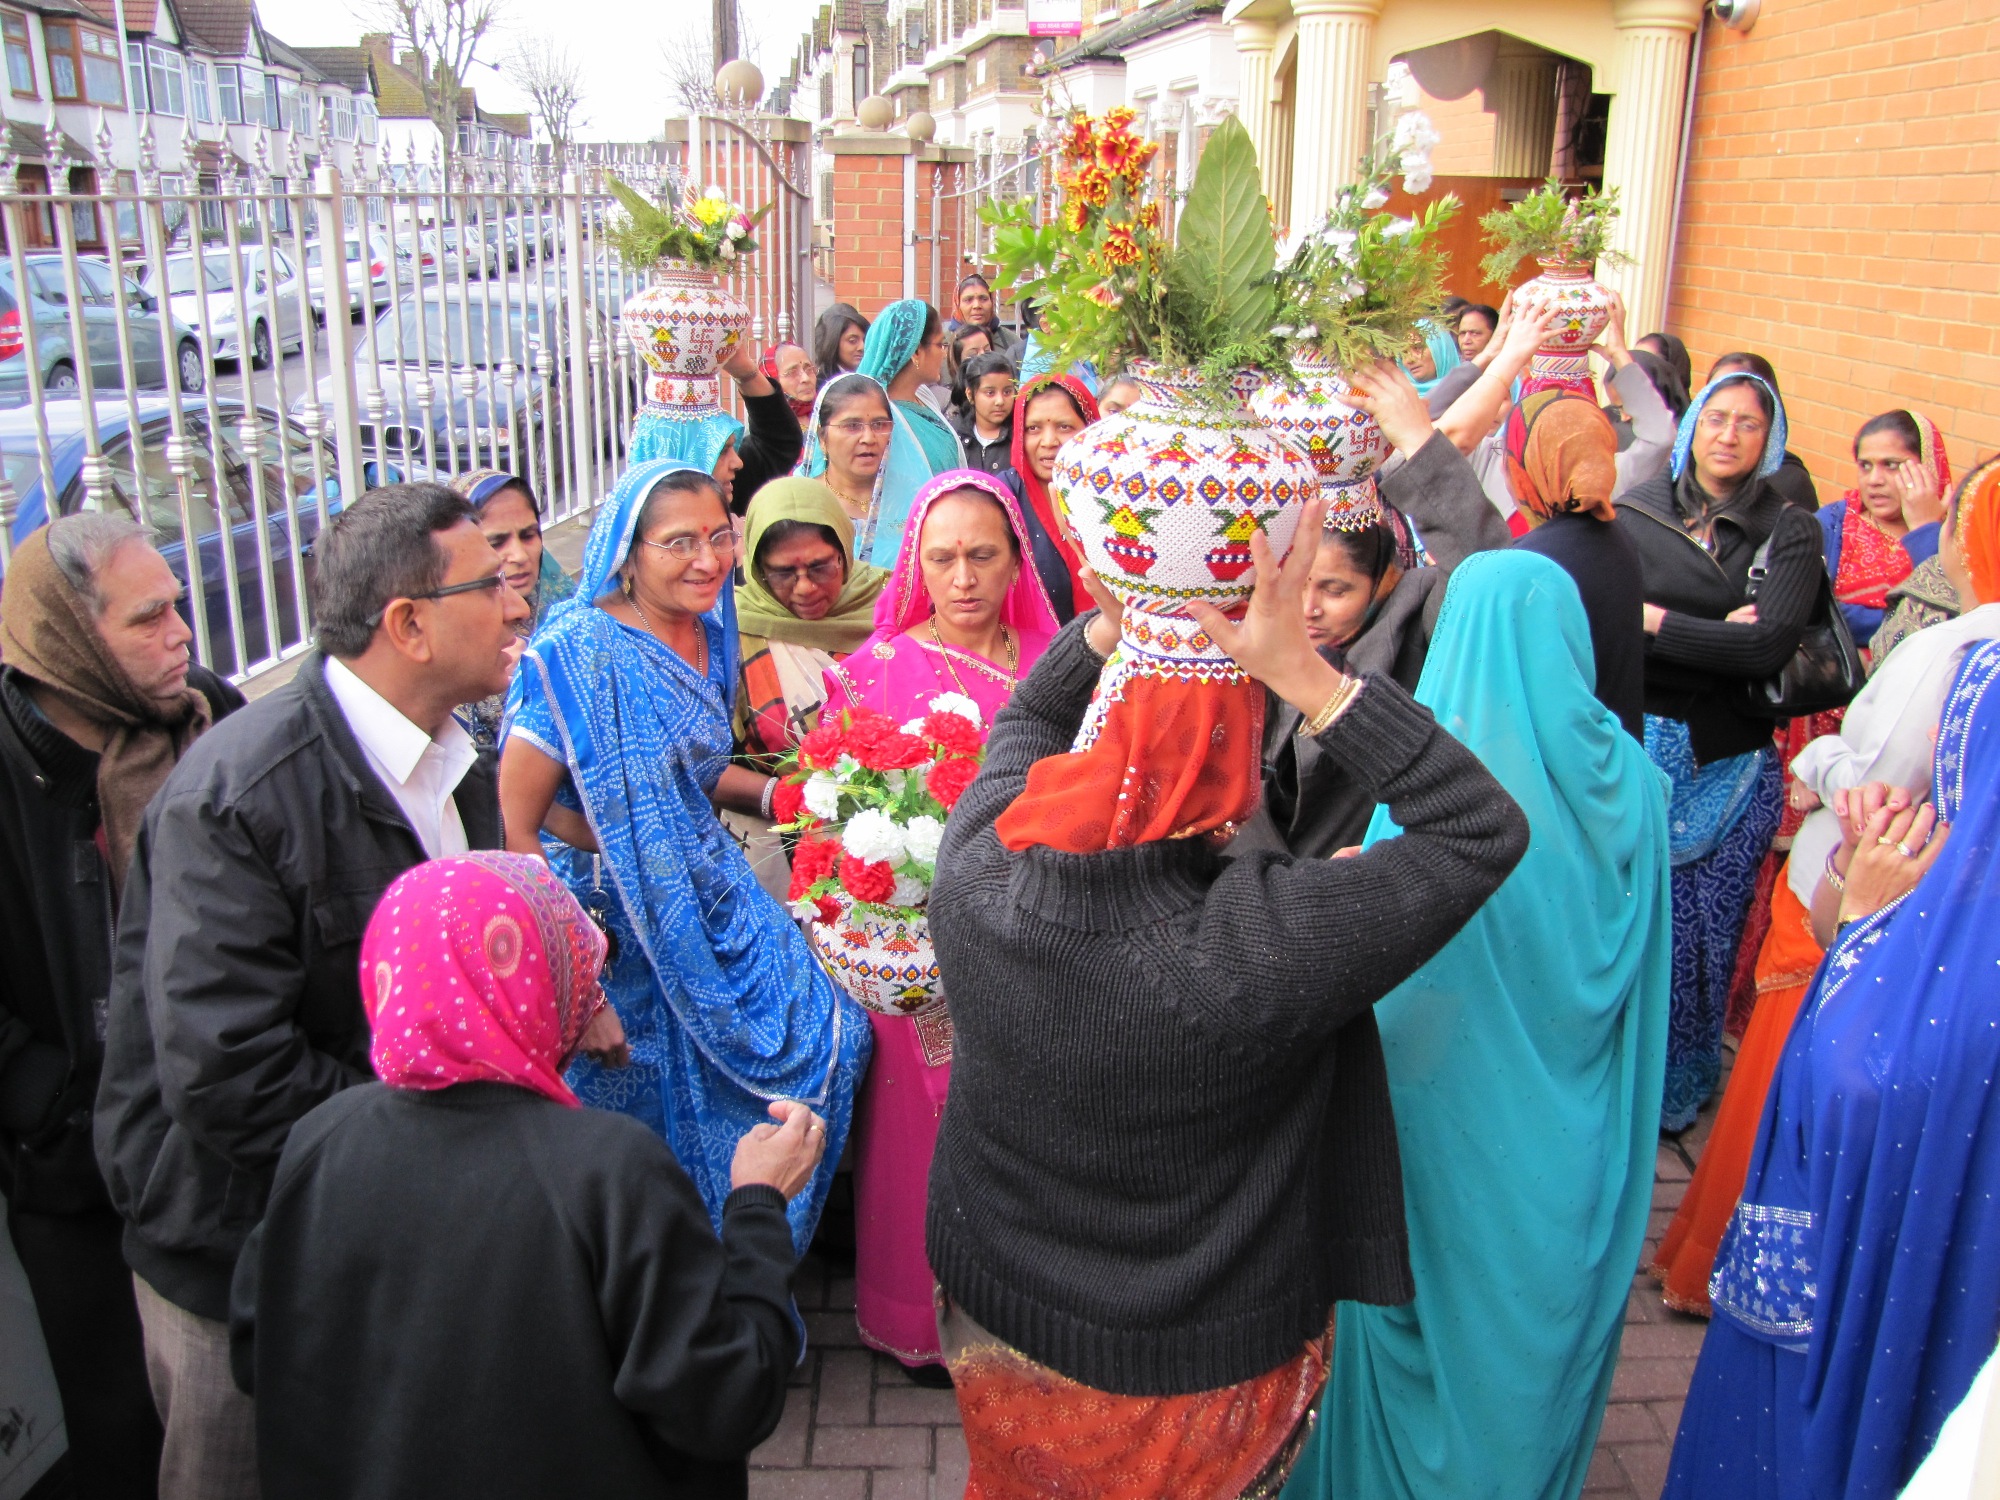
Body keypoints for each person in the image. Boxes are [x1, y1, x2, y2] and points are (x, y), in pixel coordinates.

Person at [926, 494, 1529, 1500]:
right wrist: (1302, 672)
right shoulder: (1254, 945)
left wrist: (1121, 626)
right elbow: (1477, 830)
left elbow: (1027, 718)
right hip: (1187, 1367)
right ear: (1225, 783)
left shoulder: (977, 867)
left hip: (994, 1309)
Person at [94, 484, 522, 1500]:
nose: (518, 604)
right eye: (492, 584)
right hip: (237, 1253)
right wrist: (447, 1148)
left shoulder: (456, 761)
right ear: (407, 625)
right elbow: (228, 1074)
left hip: (382, 1222)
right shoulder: (239, 796)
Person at [230, 851, 825, 1500]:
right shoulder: (608, 1172)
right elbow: (728, 1396)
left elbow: (258, 1349)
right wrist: (759, 1205)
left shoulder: (321, 1142)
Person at [1286, 550, 1670, 1500]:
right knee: (1530, 1343)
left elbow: (1389, 971)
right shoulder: (1636, 779)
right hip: (1574, 1133)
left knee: (1423, 1325)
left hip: (1435, 1122)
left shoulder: (1439, 787)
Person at [1650, 453, 2000, 1316]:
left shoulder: (1960, 650)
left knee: (1788, 1076)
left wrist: (1814, 753)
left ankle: (1721, 1269)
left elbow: (1873, 775)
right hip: (1959, 927)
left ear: (1960, 534)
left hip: (1864, 894)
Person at [499, 460, 871, 1250]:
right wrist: (579, 985)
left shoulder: (708, 626)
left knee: (827, 1036)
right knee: (644, 1106)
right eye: (678, 543)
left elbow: (693, 767)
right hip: (606, 918)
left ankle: (742, 1256)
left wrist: (781, 798)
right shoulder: (574, 655)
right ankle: (666, 1283)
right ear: (626, 554)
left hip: (705, 883)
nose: (707, 560)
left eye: (717, 537)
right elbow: (517, 828)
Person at [1663, 640, 2000, 1500]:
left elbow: (1856, 1080)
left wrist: (1865, 922)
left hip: (1863, 1313)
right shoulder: (1963, 879)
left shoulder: (1970, 927)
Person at [0, 517, 242, 1499]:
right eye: (149, 618)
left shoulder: (213, 720)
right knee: (116, 1439)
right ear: (66, 639)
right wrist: (53, 1101)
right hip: (78, 1179)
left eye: (179, 604)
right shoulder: (14, 771)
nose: (181, 632)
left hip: (216, 1159)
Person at [819, 470, 1058, 1381]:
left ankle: (1023, 1315)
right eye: (944, 558)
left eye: (984, 556)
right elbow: (833, 820)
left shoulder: (1058, 662)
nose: (964, 578)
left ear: (1015, 560)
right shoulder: (874, 672)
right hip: (914, 953)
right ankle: (915, 1321)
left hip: (1035, 944)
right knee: (922, 1131)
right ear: (915, 562)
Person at [1613, 371, 1823, 1132]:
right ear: (1694, 422)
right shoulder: (1638, 511)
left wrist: (1657, 622)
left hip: (1725, 756)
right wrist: (1718, 636)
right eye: (1717, 418)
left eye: (1749, 424)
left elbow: (1768, 645)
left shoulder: (1789, 528)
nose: (1728, 435)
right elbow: (1609, 621)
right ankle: (1611, 1080)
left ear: (1772, 440)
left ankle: (1672, 1092)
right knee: (1620, 921)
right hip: (1635, 745)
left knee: (1698, 939)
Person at [1246, 360, 1514, 860]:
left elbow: (1491, 576)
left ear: (1382, 580)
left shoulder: (1415, 623)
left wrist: (1420, 442)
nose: (1310, 608)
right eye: (1296, 583)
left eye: (1336, 589)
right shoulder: (1254, 633)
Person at [1504, 390, 1649, 738]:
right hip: (1617, 761)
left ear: (1530, 462)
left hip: (1563, 770)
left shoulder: (1530, 562)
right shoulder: (1616, 536)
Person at [733, 477, 889, 772]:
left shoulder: (890, 604)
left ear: (844, 553)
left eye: (820, 567)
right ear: (758, 569)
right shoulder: (736, 626)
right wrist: (775, 797)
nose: (804, 588)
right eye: (782, 573)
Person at [449, 469, 577, 747]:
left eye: (529, 535)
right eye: (496, 542)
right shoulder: (445, 639)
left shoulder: (570, 612)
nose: (519, 556)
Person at [1815, 409, 1950, 643]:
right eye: (1865, 466)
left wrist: (1925, 530)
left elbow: (1950, 618)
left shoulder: (1956, 537)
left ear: (1929, 466)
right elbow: (1809, 607)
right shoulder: (1833, 524)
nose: (1874, 480)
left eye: (1891, 464)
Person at [630, 341, 804, 517]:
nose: (738, 463)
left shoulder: (729, 490)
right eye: (721, 451)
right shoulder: (637, 537)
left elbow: (778, 444)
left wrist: (745, 371)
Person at [801, 372, 939, 568]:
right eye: (852, 426)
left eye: (879, 425)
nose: (868, 438)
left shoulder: (917, 500)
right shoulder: (800, 500)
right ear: (822, 438)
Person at [996, 371, 1100, 623]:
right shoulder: (1001, 499)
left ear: (1090, 429)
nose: (1049, 441)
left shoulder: (1113, 495)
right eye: (1033, 428)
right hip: (1029, 655)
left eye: (1064, 427)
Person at [857, 299, 963, 477]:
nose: (944, 354)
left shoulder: (924, 398)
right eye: (940, 345)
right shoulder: (880, 418)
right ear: (916, 351)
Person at [1705, 352, 1820, 509]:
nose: (1727, 437)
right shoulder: (1678, 476)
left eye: (1747, 425)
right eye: (1718, 389)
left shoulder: (1788, 483)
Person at [947, 349, 1018, 475]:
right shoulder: (953, 436)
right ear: (970, 394)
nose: (1000, 401)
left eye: (1007, 392)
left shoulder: (1021, 436)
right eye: (990, 393)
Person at [944, 272, 1021, 356]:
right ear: (958, 305)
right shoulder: (943, 345)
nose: (977, 305)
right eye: (968, 300)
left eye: (983, 299)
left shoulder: (1011, 342)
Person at [1401, 319, 1462, 401]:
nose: (1409, 360)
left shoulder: (1467, 394)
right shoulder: (1397, 400)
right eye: (1404, 352)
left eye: (1418, 348)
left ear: (1441, 349)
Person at [812, 302, 870, 388]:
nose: (862, 347)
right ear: (833, 344)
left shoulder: (874, 379)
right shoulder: (820, 386)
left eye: (865, 340)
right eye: (852, 341)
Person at [761, 341, 817, 423]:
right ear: (773, 381)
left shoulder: (828, 413)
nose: (806, 378)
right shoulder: (767, 427)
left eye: (808, 369)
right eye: (792, 373)